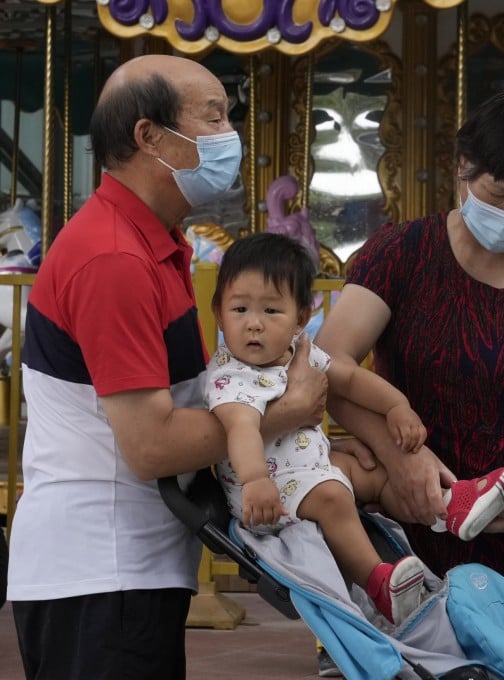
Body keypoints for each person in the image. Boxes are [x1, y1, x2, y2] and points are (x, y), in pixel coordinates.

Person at [5, 55, 329, 680]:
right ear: (149, 136)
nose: (228, 134)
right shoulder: (113, 258)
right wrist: (285, 410)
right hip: (101, 572)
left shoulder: (154, 240)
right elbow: (151, 445)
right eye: (212, 117)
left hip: (129, 571)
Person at [316, 86, 504, 609]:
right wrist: (400, 460)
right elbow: (328, 368)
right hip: (408, 527)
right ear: (465, 168)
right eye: (498, 194)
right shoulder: (400, 252)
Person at [206, 232, 504, 625]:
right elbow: (242, 430)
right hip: (264, 491)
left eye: (271, 311)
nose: (253, 324)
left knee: (375, 474)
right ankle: (378, 583)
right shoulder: (230, 377)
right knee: (334, 495)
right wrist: (254, 481)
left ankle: (447, 505)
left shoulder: (300, 351)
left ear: (301, 318)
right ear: (218, 312)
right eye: (239, 310)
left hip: (307, 467)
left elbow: (349, 379)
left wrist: (395, 406)